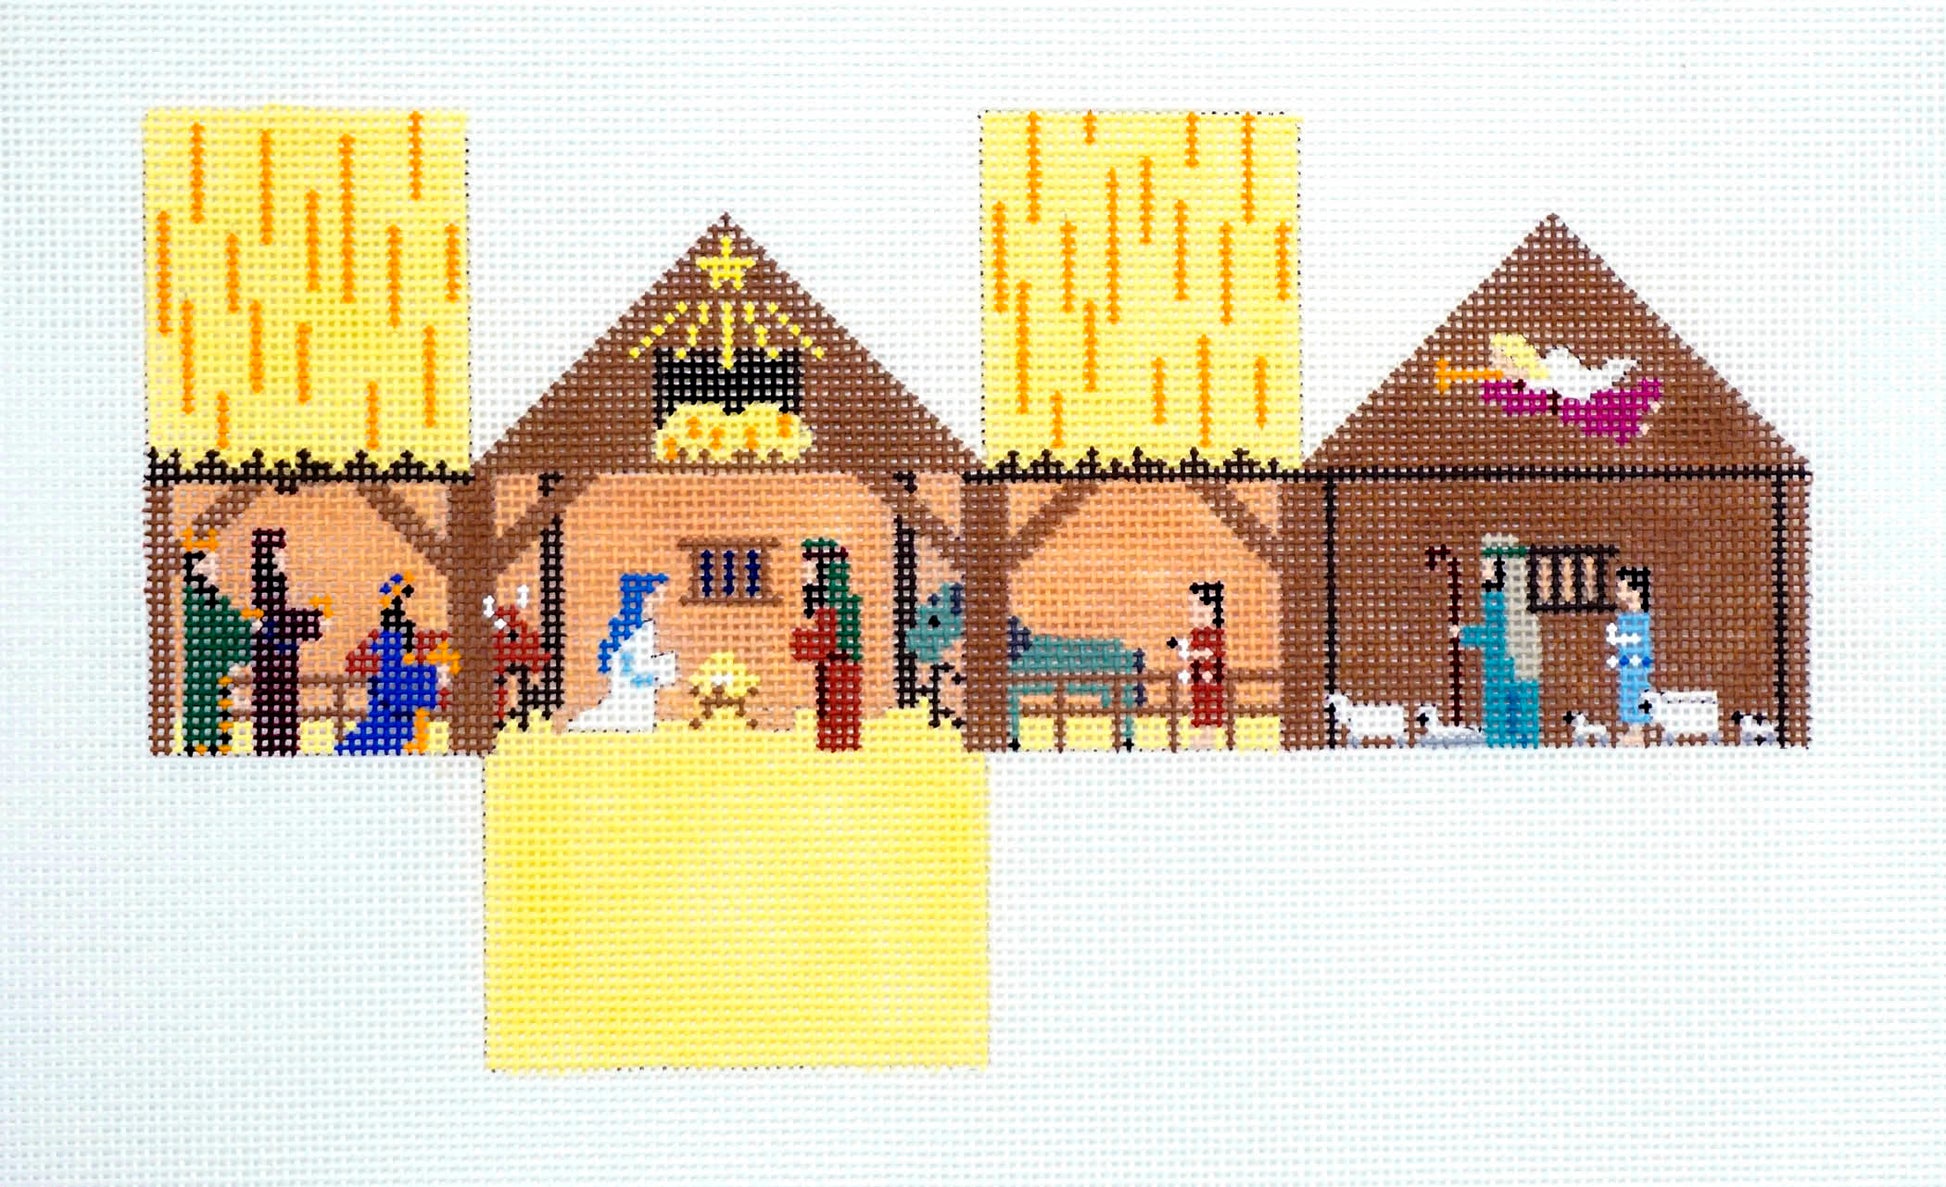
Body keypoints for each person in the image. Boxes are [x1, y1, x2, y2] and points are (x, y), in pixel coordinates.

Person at [339, 574, 445, 754]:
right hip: (384, 732)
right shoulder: (391, 653)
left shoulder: (415, 668)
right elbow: (396, 695)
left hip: (393, 733)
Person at [1455, 534, 1543, 747]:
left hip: (1504, 665)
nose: (1483, 571)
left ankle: (1507, 742)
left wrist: (1464, 633)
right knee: (1520, 707)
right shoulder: (1514, 599)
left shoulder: (1498, 598)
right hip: (1513, 664)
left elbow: (1494, 633)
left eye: (1487, 566)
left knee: (1503, 709)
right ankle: (1521, 741)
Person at [249, 528, 326, 755]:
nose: (283, 561)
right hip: (275, 665)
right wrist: (315, 620)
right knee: (275, 710)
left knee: (277, 711)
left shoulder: (270, 596)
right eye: (279, 555)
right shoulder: (269, 592)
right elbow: (279, 617)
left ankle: (277, 746)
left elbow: (282, 617)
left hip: (278, 665)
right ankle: (277, 746)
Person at [569, 573, 678, 733]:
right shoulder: (629, 633)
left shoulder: (646, 628)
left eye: (660, 597)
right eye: (655, 597)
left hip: (640, 705)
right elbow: (628, 672)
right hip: (627, 704)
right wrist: (665, 669)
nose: (660, 602)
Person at [180, 534, 253, 755]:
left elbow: (227, 620)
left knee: (217, 706)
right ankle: (204, 745)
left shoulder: (206, 597)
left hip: (209, 668)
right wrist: (249, 625)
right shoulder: (200, 599)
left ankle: (211, 744)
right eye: (208, 564)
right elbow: (223, 623)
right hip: (206, 667)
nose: (214, 570)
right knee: (207, 707)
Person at [790, 538, 864, 750]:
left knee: (839, 706)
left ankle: (840, 741)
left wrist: (802, 644)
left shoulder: (838, 607)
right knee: (833, 706)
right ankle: (835, 741)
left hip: (842, 665)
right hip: (837, 665)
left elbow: (828, 639)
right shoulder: (837, 605)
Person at [1170, 581, 1227, 749]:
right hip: (1199, 674)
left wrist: (1188, 650)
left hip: (1210, 675)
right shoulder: (1198, 634)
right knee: (1200, 701)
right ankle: (1202, 729)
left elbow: (1213, 652)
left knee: (1212, 702)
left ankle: (1211, 731)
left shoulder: (1214, 633)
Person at [1606, 566, 1654, 747]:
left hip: (1637, 666)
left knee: (1637, 696)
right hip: (1628, 667)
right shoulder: (1627, 618)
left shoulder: (1639, 619)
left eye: (1623, 589)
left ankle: (1637, 731)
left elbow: (1638, 641)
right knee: (1628, 696)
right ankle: (1634, 730)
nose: (1619, 594)